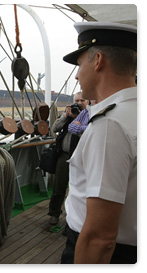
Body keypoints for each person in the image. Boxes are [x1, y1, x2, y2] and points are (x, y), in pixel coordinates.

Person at [61, 22, 137, 264]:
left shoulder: (109, 125)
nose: (76, 74)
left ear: (98, 60)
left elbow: (100, 238)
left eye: (80, 63)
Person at [48, 92, 88, 226]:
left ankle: (75, 218)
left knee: (78, 189)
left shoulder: (89, 117)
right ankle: (54, 213)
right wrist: (66, 116)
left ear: (87, 102)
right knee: (58, 186)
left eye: (82, 100)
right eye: (77, 100)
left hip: (81, 158)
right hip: (64, 156)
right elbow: (54, 128)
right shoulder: (68, 116)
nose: (80, 102)